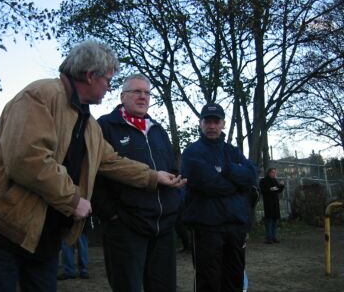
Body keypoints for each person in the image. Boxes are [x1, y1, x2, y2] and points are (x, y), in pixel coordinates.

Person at [0, 40, 186, 292]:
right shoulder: (39, 95)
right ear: (90, 76)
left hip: (45, 236)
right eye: (107, 80)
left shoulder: (89, 124)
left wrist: (153, 176)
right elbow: (27, 159)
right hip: (4, 229)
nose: (109, 87)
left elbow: (112, 161)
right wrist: (73, 200)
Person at [92, 73, 182, 292]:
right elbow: (93, 174)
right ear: (123, 96)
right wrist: (111, 214)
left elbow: (171, 167)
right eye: (136, 92)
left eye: (147, 92)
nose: (143, 97)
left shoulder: (158, 130)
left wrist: (174, 200)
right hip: (126, 228)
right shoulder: (104, 126)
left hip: (162, 228)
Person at [181, 102, 258, 292]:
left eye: (216, 121)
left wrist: (225, 169)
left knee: (234, 280)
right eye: (208, 121)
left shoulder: (232, 151)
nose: (212, 126)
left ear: (223, 123)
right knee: (209, 281)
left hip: (235, 228)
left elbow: (251, 176)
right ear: (201, 123)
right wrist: (237, 183)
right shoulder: (192, 152)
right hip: (207, 229)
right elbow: (206, 183)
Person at [260, 167, 284, 244]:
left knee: (274, 220)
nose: (274, 174)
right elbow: (264, 190)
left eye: (275, 172)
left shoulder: (274, 180)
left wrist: (281, 186)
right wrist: (274, 188)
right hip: (268, 203)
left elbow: (278, 190)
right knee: (269, 220)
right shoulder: (263, 181)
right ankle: (269, 238)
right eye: (273, 172)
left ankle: (273, 237)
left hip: (275, 203)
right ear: (269, 173)